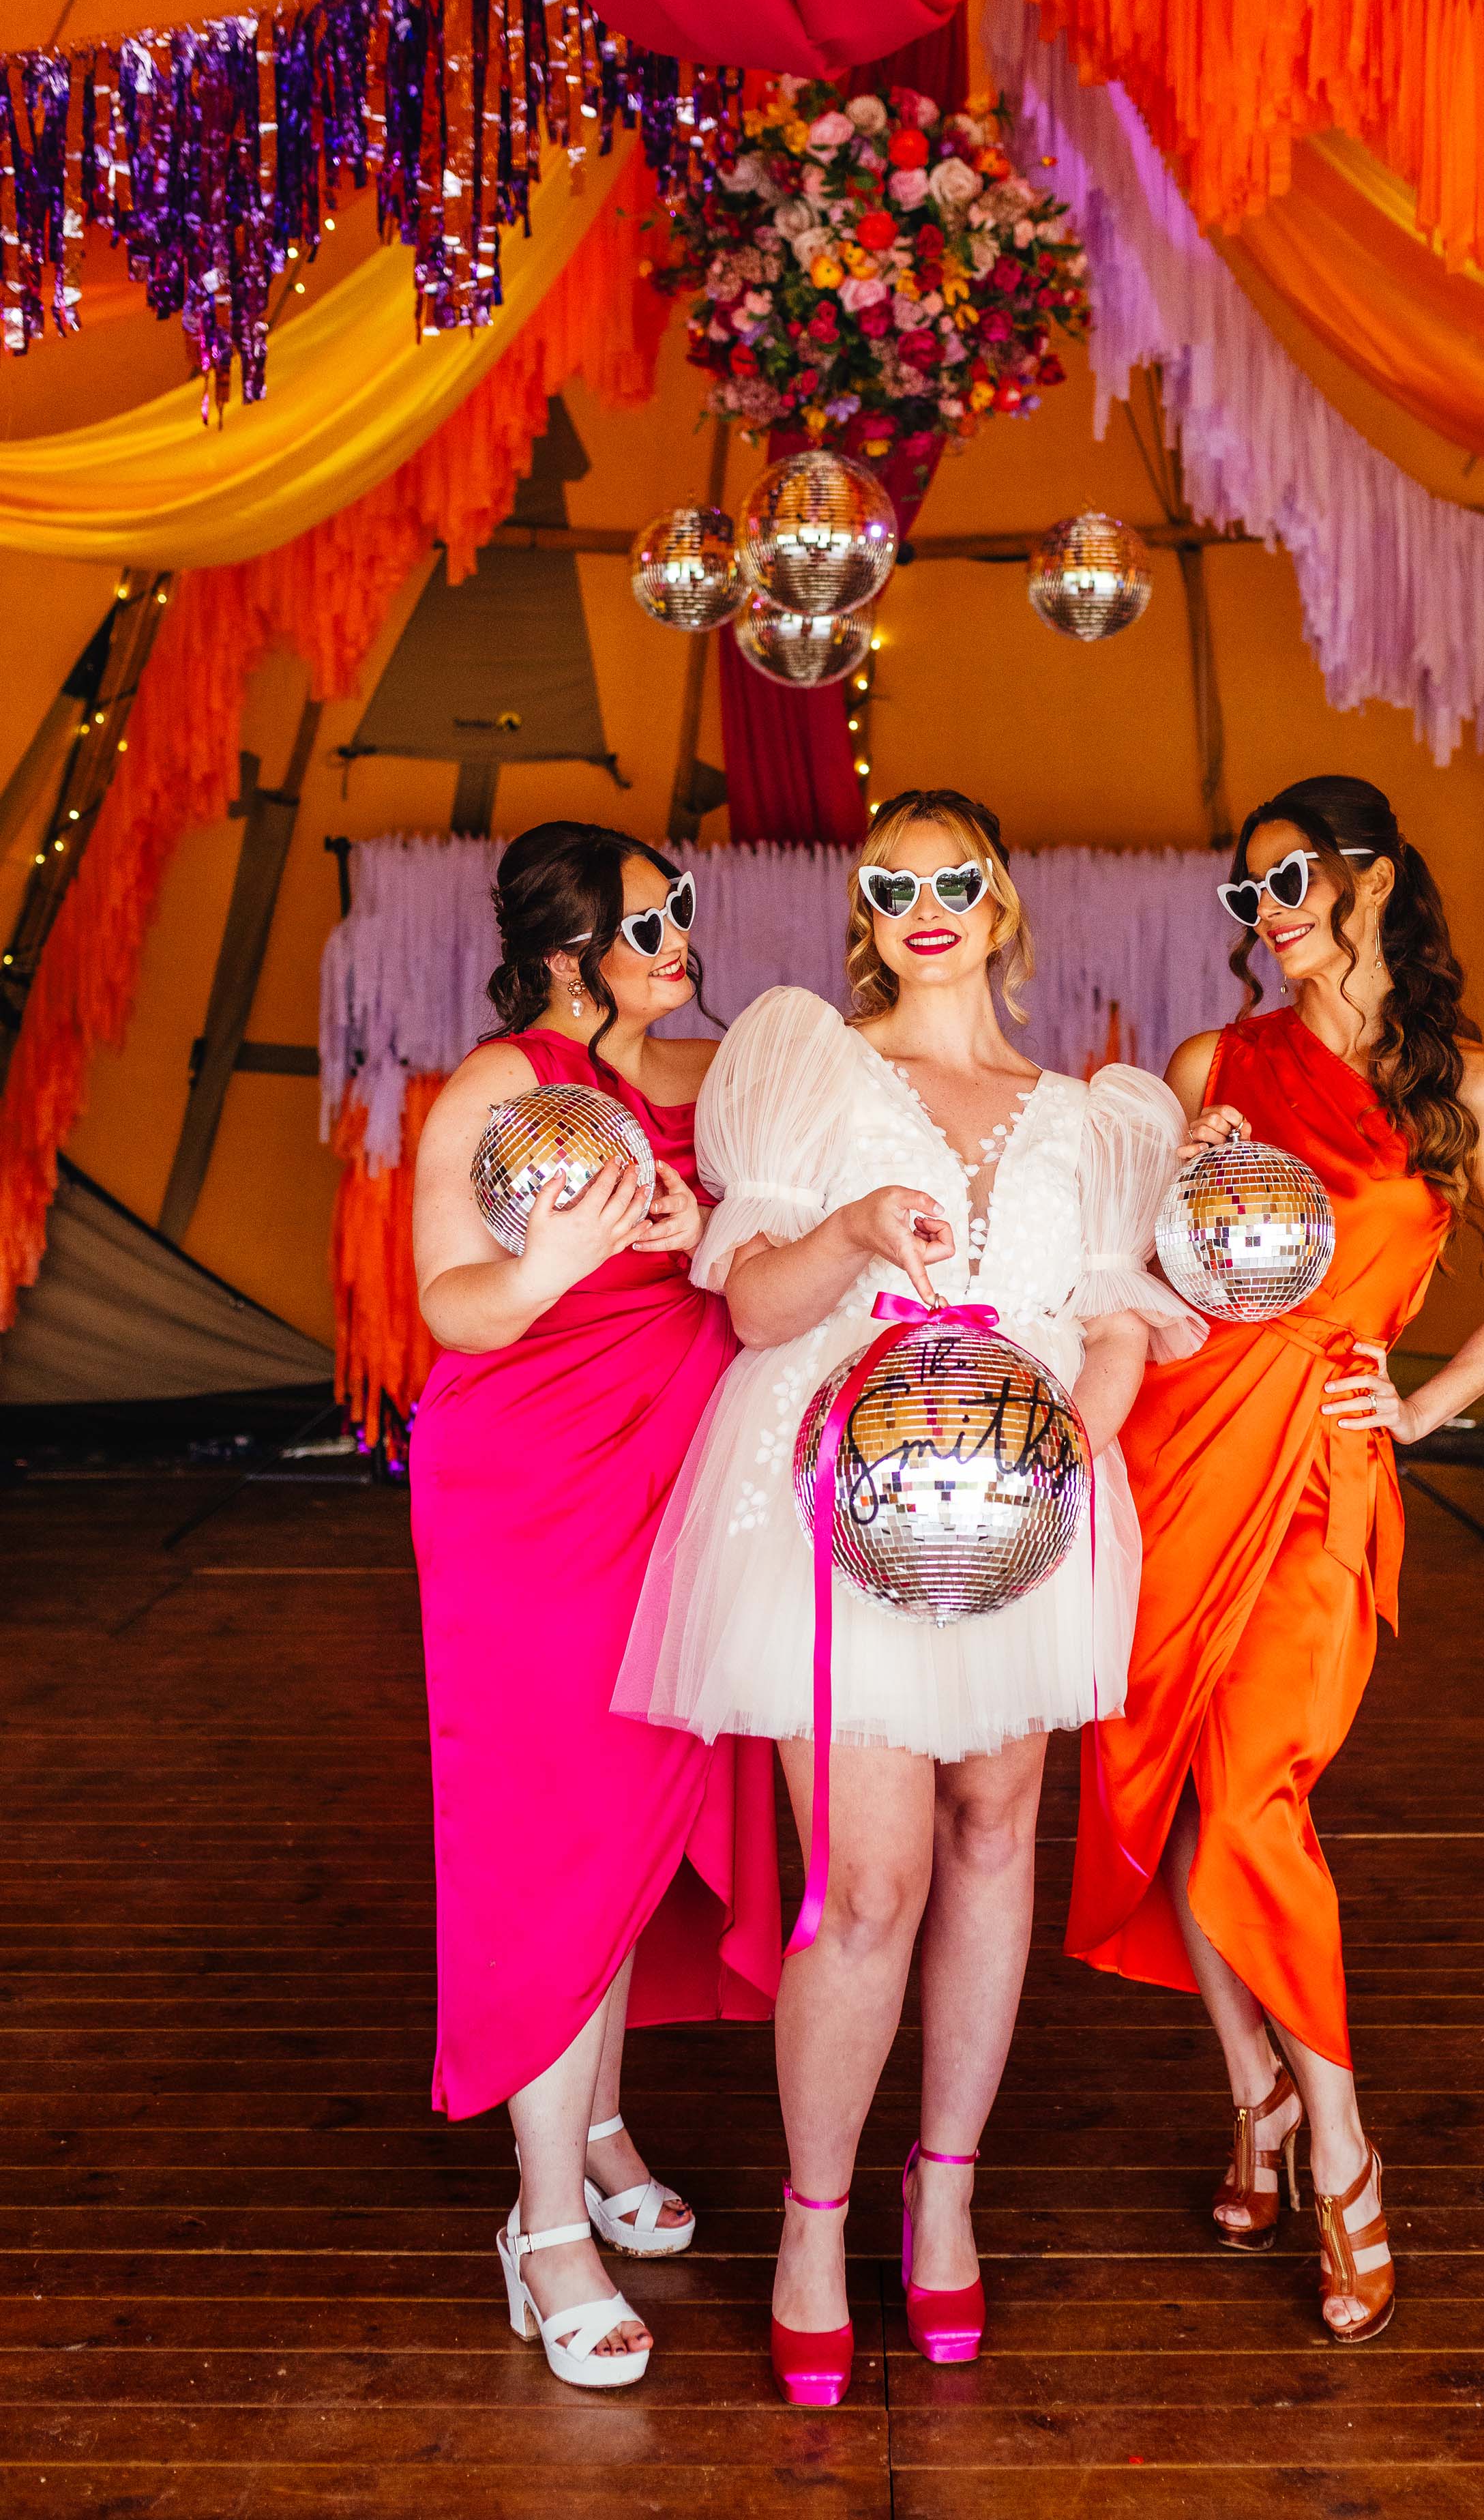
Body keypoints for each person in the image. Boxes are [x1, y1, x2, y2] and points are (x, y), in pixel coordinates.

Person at [614, 790, 1202, 2405]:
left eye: (955, 879)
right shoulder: (807, 1060)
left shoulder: (1086, 1114)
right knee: (863, 1881)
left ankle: (941, 2193)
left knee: (993, 1831)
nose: (925, 904)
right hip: (833, 1488)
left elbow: (1115, 1320)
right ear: (865, 911)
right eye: (894, 883)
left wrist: (1079, 1425)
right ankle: (813, 2225)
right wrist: (859, 1228)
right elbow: (743, 1306)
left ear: (1001, 902)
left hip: (1017, 1506)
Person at [1067, 774, 1484, 2345]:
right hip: (1179, 1438)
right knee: (1170, 1782)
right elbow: (1141, 1275)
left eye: (1287, 878)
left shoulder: (1471, 1089)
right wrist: (1169, 1171)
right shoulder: (1215, 1061)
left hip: (1319, 1466)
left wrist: (1415, 1404)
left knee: (1256, 1793)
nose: (1266, 910)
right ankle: (1249, 2092)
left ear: (1371, 876)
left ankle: (1337, 2143)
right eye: (1245, 894)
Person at [409, 821, 780, 2391]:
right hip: (531, 1493)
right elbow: (450, 1297)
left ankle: (604, 2121)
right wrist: (554, 1260)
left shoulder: (700, 1086)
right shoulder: (497, 1086)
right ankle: (543, 2220)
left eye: (682, 909)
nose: (682, 934)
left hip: (674, 1492)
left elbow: (755, 1270)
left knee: (625, 1821)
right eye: (651, 918)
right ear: (568, 947)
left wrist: (714, 1243)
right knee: (553, 1827)